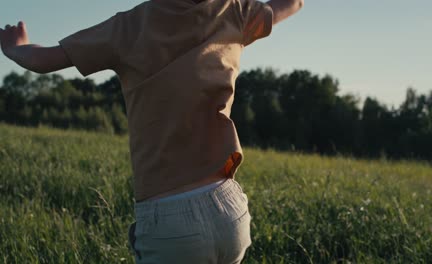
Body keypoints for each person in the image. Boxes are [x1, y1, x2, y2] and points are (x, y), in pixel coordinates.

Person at [0, 0, 303, 262]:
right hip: (229, 210)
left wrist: (17, 47)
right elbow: (289, 3)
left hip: (169, 220)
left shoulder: (128, 27)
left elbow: (42, 60)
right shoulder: (230, 12)